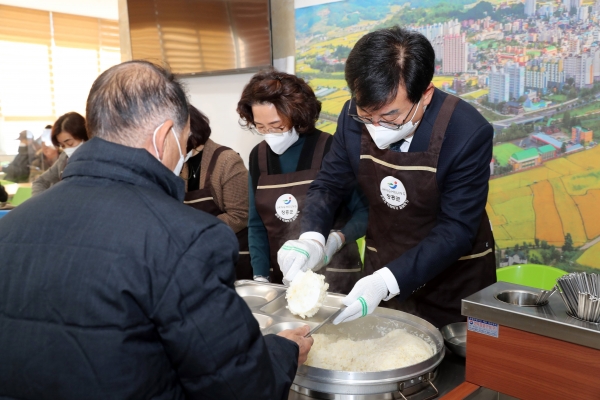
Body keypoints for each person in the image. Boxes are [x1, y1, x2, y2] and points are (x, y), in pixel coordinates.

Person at [0, 60, 312, 399]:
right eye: (183, 137)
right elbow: (237, 386)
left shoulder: (13, 226)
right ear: (164, 135)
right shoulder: (186, 239)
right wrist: (282, 352)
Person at [279, 27, 496, 328]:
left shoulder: (466, 132)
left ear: (426, 95)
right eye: (366, 115)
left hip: (453, 280)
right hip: (382, 262)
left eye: (391, 116)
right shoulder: (350, 116)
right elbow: (330, 182)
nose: (375, 126)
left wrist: (386, 281)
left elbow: (456, 229)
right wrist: (313, 238)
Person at [237, 70, 368, 294]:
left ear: (297, 114)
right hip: (283, 280)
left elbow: (365, 212)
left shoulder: (331, 149)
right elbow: (256, 224)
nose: (269, 134)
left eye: (277, 126)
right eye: (260, 127)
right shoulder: (257, 157)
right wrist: (260, 277)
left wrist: (337, 239)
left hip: (335, 277)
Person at [181, 105, 252, 279]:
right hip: (197, 255)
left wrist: (197, 232)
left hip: (230, 254)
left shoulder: (227, 161)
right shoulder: (179, 163)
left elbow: (240, 215)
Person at [32, 112, 89, 196]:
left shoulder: (98, 160)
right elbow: (41, 181)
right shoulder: (64, 159)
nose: (67, 149)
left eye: (70, 143)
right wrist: (39, 203)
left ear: (84, 136)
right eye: (62, 145)